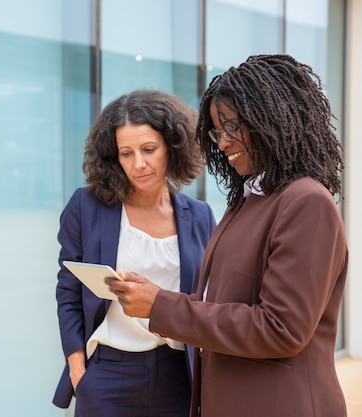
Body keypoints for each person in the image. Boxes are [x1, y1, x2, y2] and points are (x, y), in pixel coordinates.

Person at [107, 54, 348, 417]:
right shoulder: (248, 201)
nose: (222, 142)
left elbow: (280, 328)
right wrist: (157, 298)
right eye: (217, 132)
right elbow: (221, 300)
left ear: (271, 119)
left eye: (232, 127)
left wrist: (161, 306)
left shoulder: (306, 203)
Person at [53, 89, 217, 417]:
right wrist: (76, 366)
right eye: (126, 153)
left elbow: (208, 298)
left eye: (149, 149)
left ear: (173, 147)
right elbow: (68, 291)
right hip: (107, 374)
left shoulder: (200, 216)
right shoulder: (87, 207)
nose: (138, 164)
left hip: (178, 374)